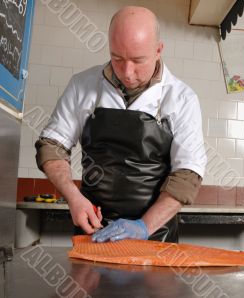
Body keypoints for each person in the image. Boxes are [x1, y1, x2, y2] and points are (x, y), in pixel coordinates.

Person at [35, 6, 207, 243]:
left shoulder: (182, 98)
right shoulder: (82, 85)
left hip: (155, 234)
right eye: (117, 58)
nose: (127, 72)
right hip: (92, 230)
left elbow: (187, 175)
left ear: (158, 50)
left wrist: (143, 227)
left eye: (138, 60)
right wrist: (73, 197)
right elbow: (51, 146)